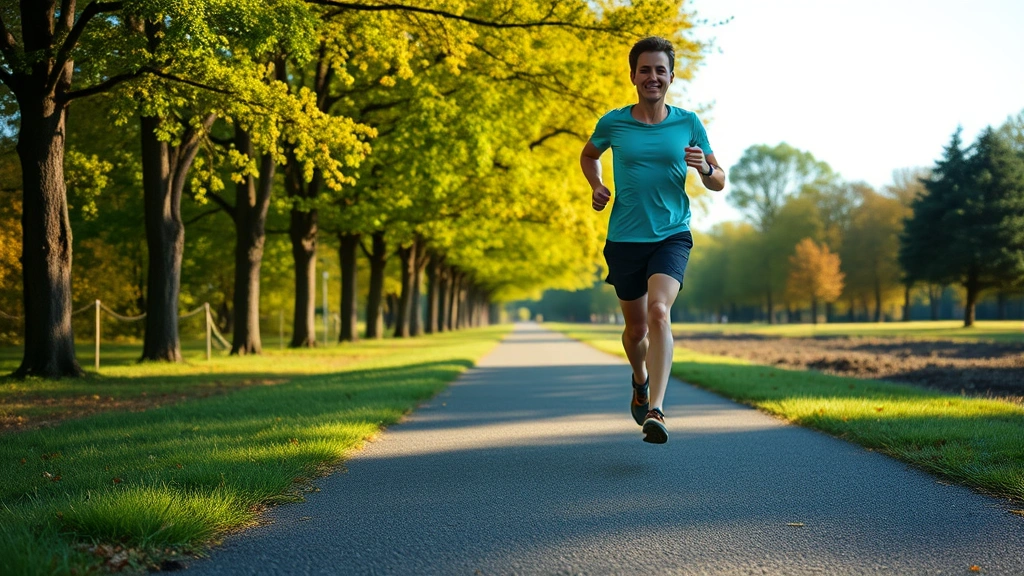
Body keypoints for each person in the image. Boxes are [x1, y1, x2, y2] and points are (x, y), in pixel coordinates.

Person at [579, 36, 725, 444]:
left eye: (660, 70)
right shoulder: (614, 123)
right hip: (625, 238)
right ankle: (640, 381)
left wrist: (704, 170)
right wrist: (597, 185)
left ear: (672, 77)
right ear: (633, 76)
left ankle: (657, 409)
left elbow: (719, 180)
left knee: (660, 312)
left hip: (672, 234)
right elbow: (589, 155)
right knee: (636, 331)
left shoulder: (689, 123)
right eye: (645, 69)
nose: (653, 77)